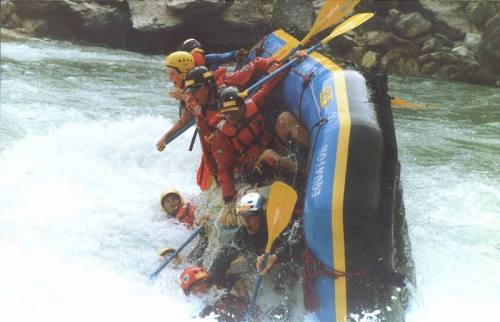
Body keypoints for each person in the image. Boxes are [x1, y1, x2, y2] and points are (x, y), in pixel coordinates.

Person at [208, 191, 304, 320]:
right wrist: (218, 280)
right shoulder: (243, 235)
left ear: (261, 215)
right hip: (265, 279)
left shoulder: (278, 226)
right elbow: (224, 256)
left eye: (251, 216)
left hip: (291, 275)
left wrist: (275, 257)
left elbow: (295, 246)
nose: (246, 221)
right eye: (243, 216)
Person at [156, 51, 196, 152]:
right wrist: (164, 138)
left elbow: (206, 107)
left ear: (183, 74)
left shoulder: (198, 88)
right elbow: (184, 120)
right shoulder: (183, 88)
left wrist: (183, 97)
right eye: (168, 74)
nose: (170, 79)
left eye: (173, 74)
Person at [179, 266, 251, 322]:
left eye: (208, 285)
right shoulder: (186, 307)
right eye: (201, 287)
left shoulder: (223, 299)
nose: (206, 289)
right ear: (189, 292)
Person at [179, 38, 247, 71]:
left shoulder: (211, 58)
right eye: (195, 54)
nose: (198, 55)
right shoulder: (185, 69)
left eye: (199, 52)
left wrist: (236, 53)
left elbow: (226, 56)